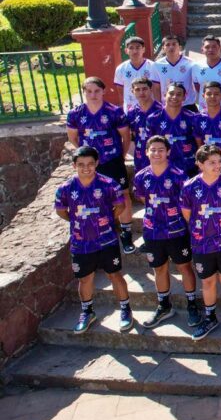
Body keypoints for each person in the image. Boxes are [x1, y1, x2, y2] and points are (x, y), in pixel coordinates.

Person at [55, 145, 133, 334]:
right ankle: (87, 312)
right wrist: (77, 222)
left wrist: (106, 220)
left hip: (107, 240)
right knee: (85, 279)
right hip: (81, 242)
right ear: (74, 165)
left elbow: (120, 207)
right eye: (81, 164)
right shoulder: (65, 188)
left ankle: (125, 309)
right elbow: (61, 211)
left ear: (97, 163)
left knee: (115, 275)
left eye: (90, 163)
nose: (86, 168)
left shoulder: (109, 184)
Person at [133, 135, 200, 329]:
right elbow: (142, 198)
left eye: (161, 149)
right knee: (159, 269)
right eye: (153, 150)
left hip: (177, 230)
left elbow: (187, 202)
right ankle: (164, 306)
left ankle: (192, 305)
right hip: (152, 231)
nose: (157, 153)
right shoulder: (141, 177)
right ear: (147, 152)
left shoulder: (179, 175)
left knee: (184, 267)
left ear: (168, 152)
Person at [180, 145, 221, 340]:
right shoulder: (189, 187)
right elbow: (188, 215)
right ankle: (210, 317)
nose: (217, 166)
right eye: (211, 162)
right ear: (200, 165)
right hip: (202, 244)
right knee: (207, 281)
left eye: (219, 162)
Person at [66, 77, 134, 254]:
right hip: (90, 165)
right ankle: (101, 231)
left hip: (112, 161)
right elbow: (73, 137)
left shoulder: (114, 111)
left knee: (123, 194)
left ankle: (126, 234)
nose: (93, 94)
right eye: (89, 91)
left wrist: (120, 155)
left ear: (103, 91)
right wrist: (86, 155)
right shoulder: (75, 114)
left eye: (96, 91)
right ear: (84, 92)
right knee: (94, 197)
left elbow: (126, 137)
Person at [145, 82, 201, 178]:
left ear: (184, 97)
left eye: (179, 94)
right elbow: (149, 144)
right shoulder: (153, 118)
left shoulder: (193, 117)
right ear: (164, 95)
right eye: (171, 93)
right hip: (163, 168)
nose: (174, 97)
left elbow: (200, 143)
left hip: (189, 167)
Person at [125, 77, 162, 178]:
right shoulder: (132, 112)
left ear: (151, 89)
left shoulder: (161, 110)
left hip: (158, 153)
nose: (141, 92)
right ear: (132, 91)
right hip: (140, 154)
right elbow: (132, 134)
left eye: (144, 89)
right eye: (137, 89)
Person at [153, 35, 200, 110]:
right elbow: (156, 88)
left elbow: (197, 84)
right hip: (167, 105)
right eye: (167, 45)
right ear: (163, 48)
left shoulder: (191, 63)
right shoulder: (157, 65)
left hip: (187, 104)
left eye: (174, 44)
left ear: (180, 47)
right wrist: (158, 106)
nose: (171, 47)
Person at [114, 35, 159, 110]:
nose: (135, 51)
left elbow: (156, 88)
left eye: (138, 47)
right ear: (126, 51)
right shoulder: (121, 69)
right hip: (130, 108)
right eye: (131, 48)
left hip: (150, 108)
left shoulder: (153, 66)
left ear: (143, 49)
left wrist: (157, 106)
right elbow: (120, 89)